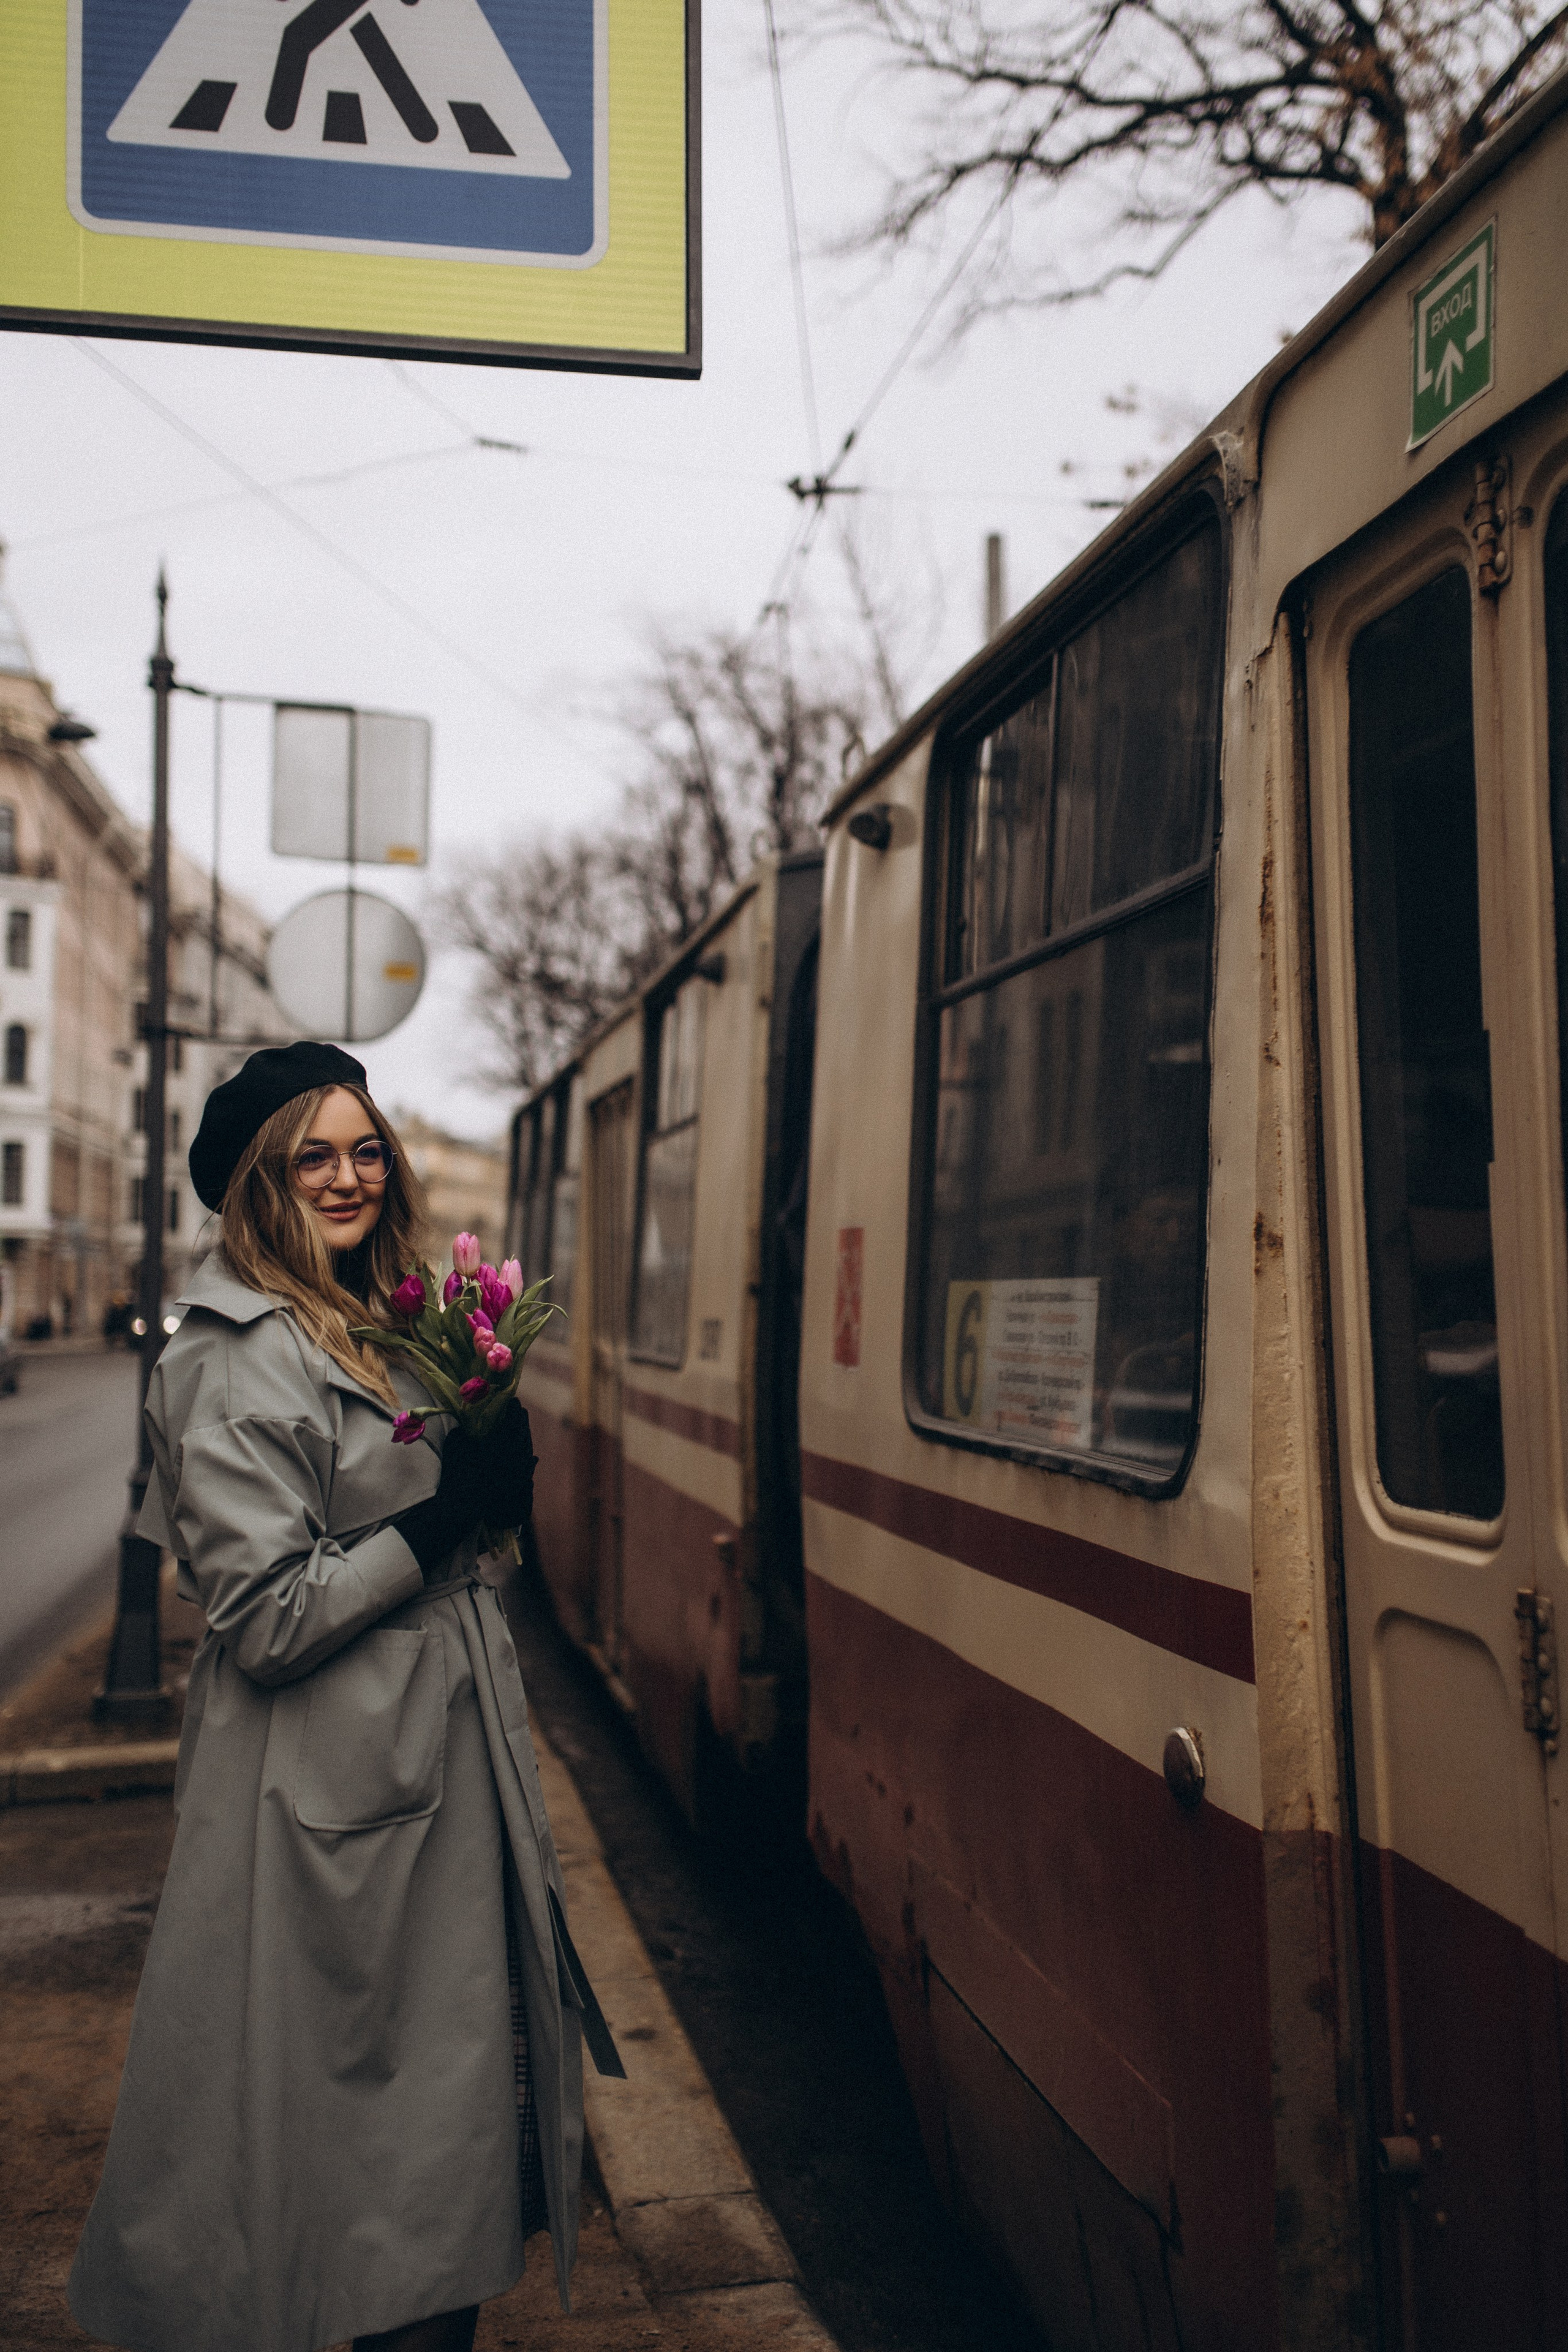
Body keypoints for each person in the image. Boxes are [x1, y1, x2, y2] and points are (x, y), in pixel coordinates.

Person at [69, 1042, 620, 2352]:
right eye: (312, 1154)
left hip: (423, 1775)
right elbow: (260, 1616)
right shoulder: (226, 1357)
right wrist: (440, 1532)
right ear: (262, 1179)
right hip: (329, 1798)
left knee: (431, 2148)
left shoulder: (392, 1320)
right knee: (366, 2155)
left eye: (365, 1148)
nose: (348, 1175)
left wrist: (491, 1483)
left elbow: (432, 1522)